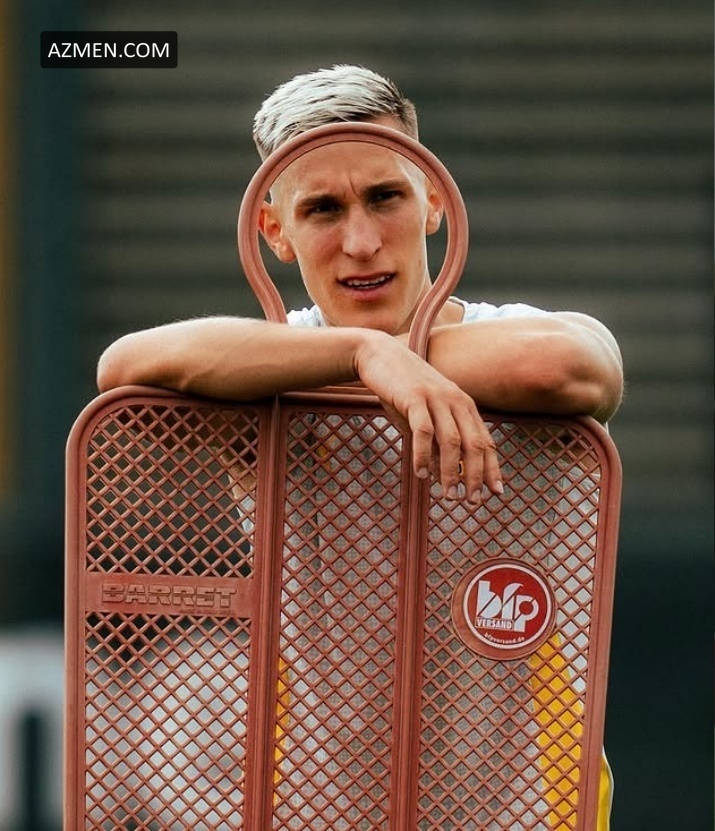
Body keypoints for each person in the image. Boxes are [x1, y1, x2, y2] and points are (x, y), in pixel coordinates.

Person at [96, 65, 623, 829]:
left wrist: (392, 356)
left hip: (527, 809)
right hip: (314, 812)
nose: (362, 241)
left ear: (433, 200)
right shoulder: (272, 366)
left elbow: (564, 367)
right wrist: (361, 354)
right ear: (274, 232)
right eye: (322, 208)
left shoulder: (511, 329)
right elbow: (125, 368)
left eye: (384, 197)